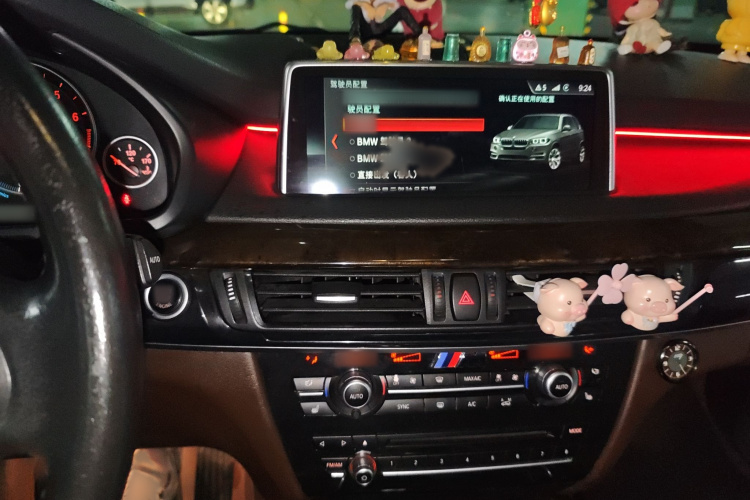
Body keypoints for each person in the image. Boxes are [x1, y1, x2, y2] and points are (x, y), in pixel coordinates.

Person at [347, 0, 421, 41]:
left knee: (402, 11)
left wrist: (385, 5)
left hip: (381, 28)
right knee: (355, 7)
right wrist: (365, 5)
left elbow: (396, 5)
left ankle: (420, 36)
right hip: (365, 30)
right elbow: (349, 4)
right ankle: (355, 37)